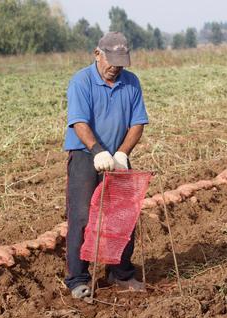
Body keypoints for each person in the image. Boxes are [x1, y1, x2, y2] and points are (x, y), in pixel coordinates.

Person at [63, 32, 149, 299]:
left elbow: (137, 123)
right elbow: (79, 123)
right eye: (111, 61)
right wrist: (98, 151)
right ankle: (78, 279)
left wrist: (122, 154)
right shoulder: (81, 81)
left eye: (121, 63)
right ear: (97, 54)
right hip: (86, 155)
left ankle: (120, 272)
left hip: (117, 156)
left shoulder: (131, 82)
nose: (116, 67)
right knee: (81, 217)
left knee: (123, 215)